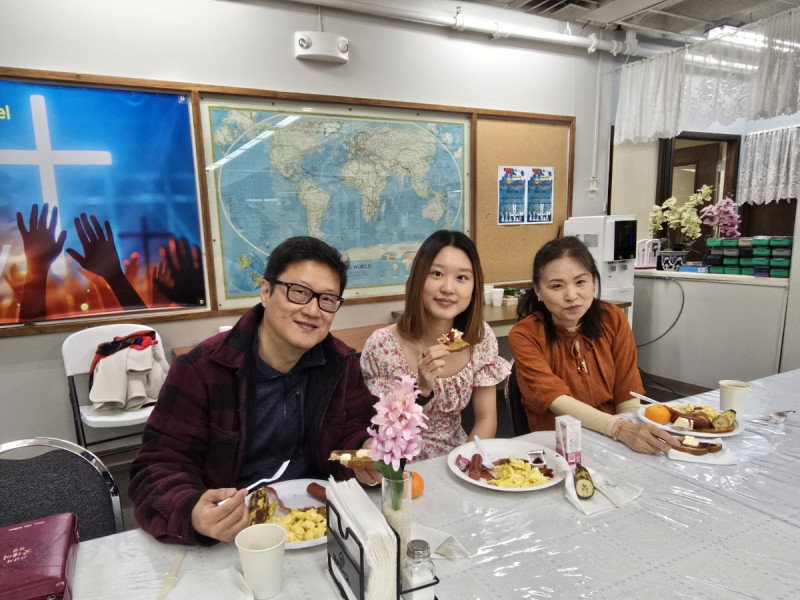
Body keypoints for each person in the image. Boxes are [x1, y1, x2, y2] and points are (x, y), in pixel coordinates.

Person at [129, 236, 380, 545]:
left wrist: (364, 450)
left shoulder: (340, 364)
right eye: (299, 292)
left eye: (327, 299)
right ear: (265, 291)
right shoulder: (201, 370)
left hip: (318, 527)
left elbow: (353, 431)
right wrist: (193, 511)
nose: (313, 310)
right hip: (234, 538)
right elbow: (157, 466)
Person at [508, 236, 680, 454]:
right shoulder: (525, 334)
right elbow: (554, 398)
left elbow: (627, 392)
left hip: (614, 439)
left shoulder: (613, 318)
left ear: (593, 282)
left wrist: (632, 432)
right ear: (538, 291)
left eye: (580, 282)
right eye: (557, 286)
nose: (572, 296)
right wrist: (620, 429)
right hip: (558, 444)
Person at [360, 230, 510, 460]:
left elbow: (486, 419)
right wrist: (421, 390)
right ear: (418, 279)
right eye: (437, 273)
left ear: (474, 287)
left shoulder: (478, 337)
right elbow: (380, 432)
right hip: (400, 465)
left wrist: (466, 465)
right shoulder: (382, 346)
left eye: (462, 277)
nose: (448, 288)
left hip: (459, 457)